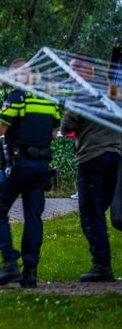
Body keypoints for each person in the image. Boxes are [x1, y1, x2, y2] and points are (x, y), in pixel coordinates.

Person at [0, 58, 60, 288]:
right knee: (33, 218)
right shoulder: (50, 100)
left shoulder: (17, 97)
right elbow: (54, 134)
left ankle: (9, 262)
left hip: (18, 165)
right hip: (41, 168)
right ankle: (30, 272)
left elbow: (0, 129)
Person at [60, 57, 121, 282]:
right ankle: (103, 263)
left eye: (74, 68)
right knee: (100, 210)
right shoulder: (114, 90)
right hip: (115, 156)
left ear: (87, 69)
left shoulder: (82, 93)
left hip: (91, 158)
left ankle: (102, 266)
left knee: (91, 214)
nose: (70, 74)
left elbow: (67, 126)